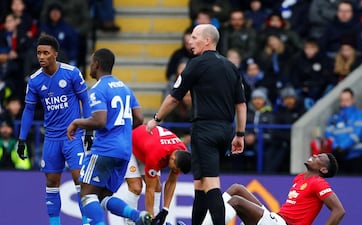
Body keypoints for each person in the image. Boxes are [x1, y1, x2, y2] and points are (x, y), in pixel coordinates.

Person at [146, 24, 247, 225]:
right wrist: (240, 134)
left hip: (205, 131)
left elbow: (175, 97)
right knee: (200, 185)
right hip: (225, 131)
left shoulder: (196, 64)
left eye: (194, 37)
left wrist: (156, 119)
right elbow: (241, 104)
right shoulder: (231, 67)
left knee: (210, 184)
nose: (190, 41)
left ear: (207, 40)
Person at [66, 48, 152, 225]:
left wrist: (77, 123)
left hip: (105, 149)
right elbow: (139, 118)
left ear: (96, 64)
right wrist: (121, 131)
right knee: (103, 196)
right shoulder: (124, 88)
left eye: (91, 63)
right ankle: (137, 216)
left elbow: (100, 121)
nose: (90, 66)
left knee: (87, 193)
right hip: (125, 152)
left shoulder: (98, 89)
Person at [17, 34, 91, 225]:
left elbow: (85, 100)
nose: (41, 56)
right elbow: (29, 110)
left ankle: (87, 222)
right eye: (39, 53)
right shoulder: (34, 81)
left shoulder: (72, 73)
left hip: (73, 136)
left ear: (55, 54)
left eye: (45, 53)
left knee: (80, 181)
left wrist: (89, 129)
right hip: (51, 138)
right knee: (51, 183)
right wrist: (22, 139)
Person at [201, 153, 345, 225]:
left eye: (319, 157)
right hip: (277, 219)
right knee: (237, 189)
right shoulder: (300, 178)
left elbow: (339, 210)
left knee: (236, 202)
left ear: (324, 169)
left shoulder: (318, 182)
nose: (314, 155)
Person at [117, 125, 191, 225]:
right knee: (136, 187)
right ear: (172, 158)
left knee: (157, 187)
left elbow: (171, 182)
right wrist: (150, 218)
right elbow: (149, 189)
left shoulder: (181, 153)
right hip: (131, 146)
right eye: (174, 168)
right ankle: (130, 222)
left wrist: (165, 210)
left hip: (146, 147)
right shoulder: (157, 155)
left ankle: (157, 218)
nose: (173, 170)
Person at [324, 88, 362, 174]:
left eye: (347, 100)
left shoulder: (359, 115)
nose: (344, 103)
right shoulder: (335, 118)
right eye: (342, 100)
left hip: (357, 156)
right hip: (340, 157)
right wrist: (336, 147)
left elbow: (359, 134)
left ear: (353, 100)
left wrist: (342, 147)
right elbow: (328, 134)